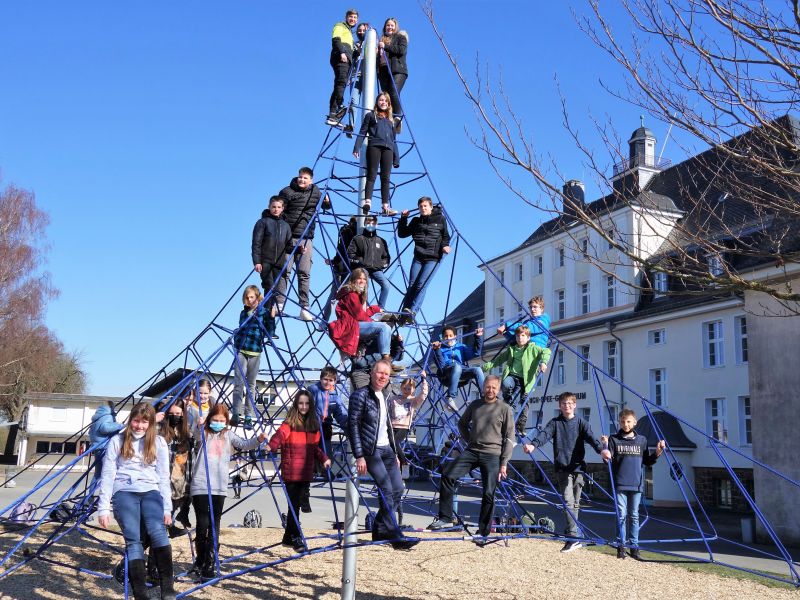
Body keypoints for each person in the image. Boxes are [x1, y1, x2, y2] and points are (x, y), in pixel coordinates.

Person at [97, 403, 177, 600]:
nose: (139, 426)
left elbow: (163, 477)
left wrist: (167, 507)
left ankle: (167, 587)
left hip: (150, 490)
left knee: (158, 531)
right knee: (134, 541)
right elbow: (108, 475)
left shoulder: (158, 442)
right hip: (124, 491)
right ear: (130, 420)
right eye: (136, 421)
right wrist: (103, 507)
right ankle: (140, 593)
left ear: (150, 423)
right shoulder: (117, 441)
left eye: (144, 422)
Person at [427, 376, 514, 545]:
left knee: (489, 492)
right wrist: (469, 439)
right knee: (448, 475)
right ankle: (445, 517)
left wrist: (504, 462)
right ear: (483, 387)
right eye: (488, 387)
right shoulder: (475, 405)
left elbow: (510, 437)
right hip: (472, 450)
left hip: (492, 454)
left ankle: (483, 532)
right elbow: (462, 423)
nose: (490, 390)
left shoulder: (504, 409)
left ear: (499, 390)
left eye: (494, 388)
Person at [522, 392, 611, 553]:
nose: (567, 406)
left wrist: (601, 451)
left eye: (570, 403)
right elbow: (545, 434)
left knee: (575, 504)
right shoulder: (555, 423)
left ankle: (573, 536)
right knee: (567, 502)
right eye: (564, 403)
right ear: (560, 406)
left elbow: (591, 438)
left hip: (577, 468)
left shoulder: (581, 423)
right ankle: (572, 537)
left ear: (574, 405)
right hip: (563, 468)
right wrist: (533, 445)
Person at [348, 360, 419, 550]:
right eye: (379, 373)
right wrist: (359, 455)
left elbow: (388, 426)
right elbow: (352, 425)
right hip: (370, 450)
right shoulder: (360, 395)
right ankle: (395, 534)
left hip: (386, 449)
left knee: (397, 489)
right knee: (386, 489)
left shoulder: (386, 396)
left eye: (386, 374)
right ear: (372, 373)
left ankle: (380, 528)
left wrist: (395, 452)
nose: (382, 377)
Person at [189, 403, 265, 581]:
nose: (218, 423)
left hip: (219, 486)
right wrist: (198, 425)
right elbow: (194, 435)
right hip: (201, 483)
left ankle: (210, 561)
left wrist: (259, 440)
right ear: (209, 419)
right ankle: (201, 559)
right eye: (215, 420)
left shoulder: (228, 435)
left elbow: (244, 445)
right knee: (202, 524)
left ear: (226, 421)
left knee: (214, 524)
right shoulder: (204, 433)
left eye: (222, 420)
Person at [268, 389, 331, 552]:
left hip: (305, 471)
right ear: (296, 405)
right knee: (294, 505)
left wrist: (324, 458)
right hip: (291, 472)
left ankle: (288, 538)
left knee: (295, 506)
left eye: (307, 403)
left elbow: (314, 449)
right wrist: (271, 445)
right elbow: (279, 436)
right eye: (301, 403)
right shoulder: (289, 424)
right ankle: (296, 537)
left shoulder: (313, 427)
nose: (304, 406)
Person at [602, 409, 666, 560]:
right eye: (623, 421)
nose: (625, 424)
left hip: (636, 484)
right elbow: (607, 458)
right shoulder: (613, 439)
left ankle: (634, 546)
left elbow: (647, 461)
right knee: (621, 515)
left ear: (635, 422)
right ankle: (621, 545)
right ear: (619, 422)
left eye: (629, 421)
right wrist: (604, 448)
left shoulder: (641, 440)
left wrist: (658, 452)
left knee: (634, 515)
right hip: (620, 483)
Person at [277, 167, 331, 321]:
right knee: (284, 270)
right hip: (288, 237)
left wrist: (327, 202)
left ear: (311, 180)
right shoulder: (287, 192)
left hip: (306, 237)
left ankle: (304, 307)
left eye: (305, 178)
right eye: (300, 177)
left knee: (304, 272)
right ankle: (279, 303)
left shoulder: (315, 192)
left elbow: (325, 205)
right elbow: (277, 207)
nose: (302, 180)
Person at [482, 325, 551, 436]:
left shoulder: (533, 348)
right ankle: (509, 400)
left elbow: (546, 351)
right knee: (505, 383)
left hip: (526, 380)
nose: (520, 338)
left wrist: (543, 362)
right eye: (518, 336)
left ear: (528, 338)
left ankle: (520, 427)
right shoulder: (512, 349)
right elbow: (498, 360)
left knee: (524, 402)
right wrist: (485, 367)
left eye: (523, 336)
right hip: (513, 376)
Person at [327, 268, 399, 368]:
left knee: (386, 326)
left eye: (364, 279)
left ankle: (383, 360)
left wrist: (375, 309)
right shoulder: (351, 294)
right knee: (384, 327)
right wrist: (373, 318)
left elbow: (360, 313)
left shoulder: (357, 294)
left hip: (353, 324)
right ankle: (386, 361)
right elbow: (359, 315)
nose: (362, 281)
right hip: (350, 326)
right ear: (353, 279)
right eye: (359, 278)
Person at [303, 366, 349, 512]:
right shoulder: (314, 390)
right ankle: (311, 475)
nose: (327, 383)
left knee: (326, 449)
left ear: (335, 381)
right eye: (325, 379)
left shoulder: (335, 394)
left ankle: (324, 469)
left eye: (331, 380)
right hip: (312, 424)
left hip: (325, 424)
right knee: (311, 450)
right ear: (320, 379)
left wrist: (346, 426)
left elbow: (339, 411)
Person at [397, 197, 451, 316]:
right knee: (412, 284)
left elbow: (445, 235)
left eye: (425, 206)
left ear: (431, 207)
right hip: (418, 256)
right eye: (421, 206)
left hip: (433, 257)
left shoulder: (440, 219)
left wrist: (445, 245)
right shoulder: (416, 221)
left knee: (421, 284)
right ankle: (405, 311)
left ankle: (413, 311)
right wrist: (404, 218)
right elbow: (402, 233)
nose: (423, 208)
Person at [389, 372, 428, 525]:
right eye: (405, 387)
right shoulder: (393, 399)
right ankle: (399, 463)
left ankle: (404, 462)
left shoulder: (413, 401)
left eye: (410, 388)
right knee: (391, 446)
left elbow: (423, 395)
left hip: (404, 427)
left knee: (395, 443)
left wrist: (424, 380)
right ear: (401, 387)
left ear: (413, 389)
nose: (407, 390)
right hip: (392, 426)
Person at [352, 93, 400, 216]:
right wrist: (356, 147)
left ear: (389, 104)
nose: (383, 102)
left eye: (385, 101)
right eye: (381, 100)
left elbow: (394, 140)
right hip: (374, 146)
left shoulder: (391, 120)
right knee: (371, 174)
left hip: (388, 149)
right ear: (377, 102)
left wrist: (396, 157)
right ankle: (368, 201)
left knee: (386, 177)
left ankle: (385, 206)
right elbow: (362, 132)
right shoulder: (371, 116)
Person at [231, 285, 271, 428]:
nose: (249, 300)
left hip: (255, 351)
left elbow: (269, 331)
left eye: (252, 297)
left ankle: (248, 416)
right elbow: (241, 327)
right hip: (241, 349)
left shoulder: (263, 312)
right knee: (238, 383)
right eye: (247, 297)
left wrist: (271, 317)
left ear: (257, 297)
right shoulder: (243, 313)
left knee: (251, 385)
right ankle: (236, 413)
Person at [251, 196, 293, 324]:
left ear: (282, 209)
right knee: (269, 287)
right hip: (266, 261)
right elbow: (256, 243)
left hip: (279, 263)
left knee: (275, 291)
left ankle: (269, 322)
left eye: (279, 207)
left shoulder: (285, 226)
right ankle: (264, 318)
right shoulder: (262, 222)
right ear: (269, 207)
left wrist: (299, 249)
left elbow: (289, 246)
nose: (276, 209)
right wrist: (257, 261)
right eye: (273, 207)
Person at [433, 325, 484, 412]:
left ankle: (485, 397)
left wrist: (478, 337)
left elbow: (476, 353)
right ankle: (450, 398)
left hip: (461, 372)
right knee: (457, 367)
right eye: (446, 336)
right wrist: (437, 350)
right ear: (442, 337)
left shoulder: (461, 347)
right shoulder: (440, 349)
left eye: (450, 336)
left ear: (455, 337)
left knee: (477, 369)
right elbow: (441, 365)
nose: (448, 338)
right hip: (446, 373)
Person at [161, 399, 194, 535]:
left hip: (182, 474)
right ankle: (163, 533)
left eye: (178, 413)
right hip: (168, 475)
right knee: (166, 507)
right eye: (171, 413)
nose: (175, 416)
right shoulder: (162, 430)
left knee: (184, 498)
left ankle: (173, 523)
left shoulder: (187, 431)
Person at [347, 214, 391, 307]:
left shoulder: (381, 241)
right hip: (363, 268)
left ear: (376, 225)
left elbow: (386, 258)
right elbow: (350, 255)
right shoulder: (358, 239)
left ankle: (380, 308)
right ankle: (364, 307)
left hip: (376, 269)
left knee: (386, 284)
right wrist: (360, 262)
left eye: (373, 223)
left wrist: (381, 264)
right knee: (364, 285)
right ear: (364, 223)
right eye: (368, 222)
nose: (370, 224)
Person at [322, 216, 358, 322]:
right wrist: (334, 261)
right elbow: (341, 249)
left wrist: (334, 261)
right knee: (340, 295)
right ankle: (327, 320)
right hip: (345, 267)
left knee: (343, 295)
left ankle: (328, 320)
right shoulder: (347, 232)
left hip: (347, 266)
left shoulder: (346, 231)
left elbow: (340, 250)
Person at [327, 9, 359, 126]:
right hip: (341, 57)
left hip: (346, 58)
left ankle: (333, 113)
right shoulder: (340, 26)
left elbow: (351, 50)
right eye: (351, 17)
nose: (353, 19)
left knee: (340, 83)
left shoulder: (350, 33)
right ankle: (337, 109)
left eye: (355, 18)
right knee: (341, 83)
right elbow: (336, 40)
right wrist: (342, 53)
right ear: (346, 17)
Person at [377, 17, 408, 133]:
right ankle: (388, 118)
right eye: (387, 25)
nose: (389, 27)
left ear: (395, 27)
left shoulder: (400, 38)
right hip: (383, 71)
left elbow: (401, 50)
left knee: (394, 91)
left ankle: (397, 117)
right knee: (386, 96)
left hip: (397, 70)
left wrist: (386, 46)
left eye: (392, 25)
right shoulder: (381, 40)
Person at [89, 400, 124, 484]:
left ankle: (91, 494)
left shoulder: (98, 417)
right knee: (108, 472)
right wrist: (119, 425)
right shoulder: (108, 416)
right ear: (111, 407)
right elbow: (105, 428)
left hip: (97, 447)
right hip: (105, 448)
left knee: (98, 473)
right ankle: (106, 493)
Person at [345, 21, 370, 134]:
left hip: (368, 76)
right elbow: (351, 62)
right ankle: (351, 125)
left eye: (363, 30)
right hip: (355, 75)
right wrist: (348, 77)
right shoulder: (354, 44)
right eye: (359, 30)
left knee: (370, 101)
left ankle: (369, 128)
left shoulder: (371, 43)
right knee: (353, 101)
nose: (361, 32)